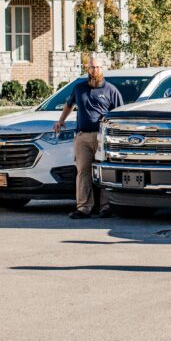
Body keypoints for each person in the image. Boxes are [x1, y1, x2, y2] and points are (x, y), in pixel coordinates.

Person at [54, 56, 123, 219]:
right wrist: (61, 121)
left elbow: (119, 114)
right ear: (88, 69)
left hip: (103, 138)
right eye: (92, 67)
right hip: (83, 137)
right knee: (83, 171)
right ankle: (84, 207)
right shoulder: (79, 88)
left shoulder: (111, 90)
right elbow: (69, 105)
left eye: (98, 67)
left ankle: (106, 206)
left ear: (102, 69)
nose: (95, 70)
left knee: (105, 171)